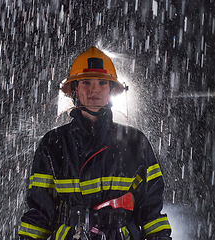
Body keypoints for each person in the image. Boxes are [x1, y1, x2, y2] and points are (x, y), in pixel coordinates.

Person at [18, 47, 172, 240]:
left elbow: (151, 213)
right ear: (74, 89)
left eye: (102, 82)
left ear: (111, 90)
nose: (94, 89)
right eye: (86, 82)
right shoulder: (53, 144)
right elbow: (39, 214)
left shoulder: (135, 142)